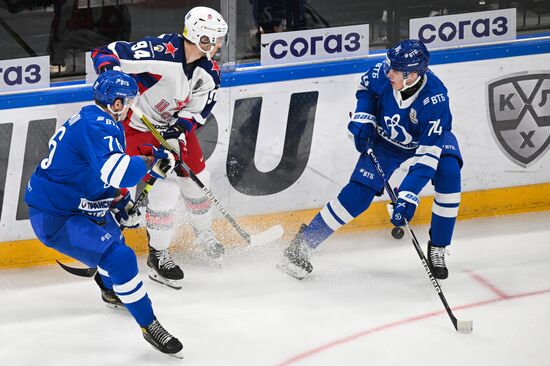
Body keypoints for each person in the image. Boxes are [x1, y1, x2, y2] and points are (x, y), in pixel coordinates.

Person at [24, 70, 183, 358]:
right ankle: (150, 325)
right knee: (119, 257)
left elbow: (97, 173)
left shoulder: (97, 119)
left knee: (116, 243)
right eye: (129, 101)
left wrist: (118, 201)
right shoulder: (99, 126)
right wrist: (149, 163)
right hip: (56, 216)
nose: (132, 106)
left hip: (78, 202)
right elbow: (116, 170)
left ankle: (110, 290)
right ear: (116, 103)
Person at [278, 39, 462, 281]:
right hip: (387, 142)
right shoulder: (381, 73)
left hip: (429, 141)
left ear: (413, 74)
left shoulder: (435, 99)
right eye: (390, 66)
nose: (389, 73)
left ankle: (438, 247)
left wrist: (408, 194)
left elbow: (427, 156)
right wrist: (365, 118)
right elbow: (365, 88)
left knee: (449, 174)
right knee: (357, 195)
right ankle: (303, 245)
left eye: (396, 70)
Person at [90, 6, 228, 289]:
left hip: (173, 128)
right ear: (199, 37)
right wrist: (109, 72)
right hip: (136, 129)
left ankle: (204, 233)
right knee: (165, 191)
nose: (218, 45)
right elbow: (105, 52)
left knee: (198, 182)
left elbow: (198, 110)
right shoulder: (161, 51)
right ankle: (158, 255)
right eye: (213, 39)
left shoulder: (209, 71)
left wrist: (181, 129)